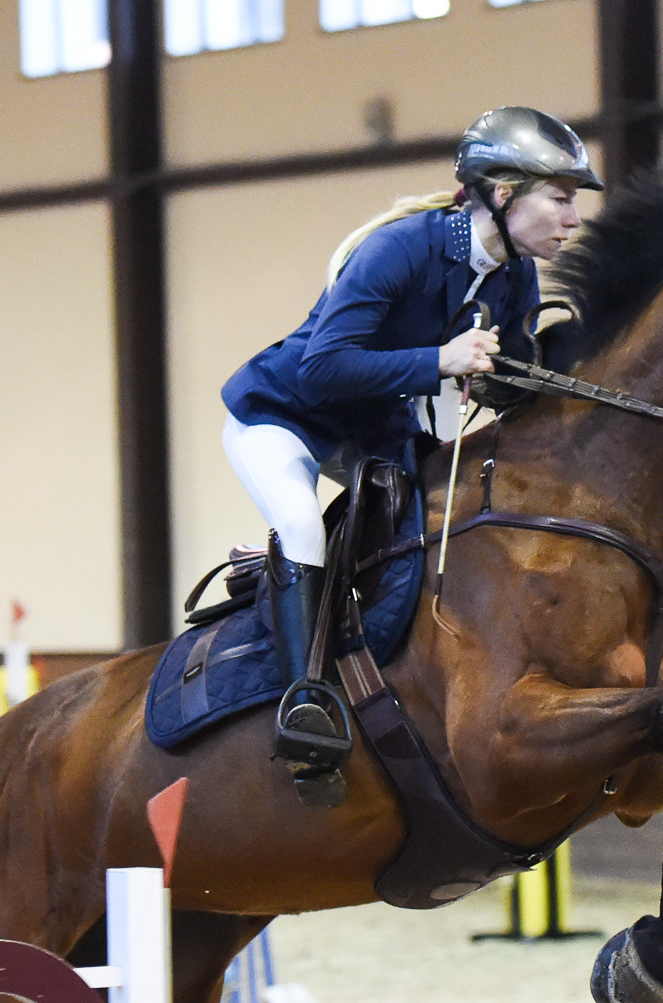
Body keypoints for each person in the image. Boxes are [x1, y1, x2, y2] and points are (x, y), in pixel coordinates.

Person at [219, 106, 601, 791]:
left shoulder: (516, 276)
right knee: (304, 523)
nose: (573, 218)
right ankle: (304, 700)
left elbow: (503, 376)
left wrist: (545, 370)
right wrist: (442, 359)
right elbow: (322, 369)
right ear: (505, 193)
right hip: (282, 416)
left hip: (371, 429)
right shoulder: (400, 249)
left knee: (425, 514)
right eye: (562, 199)